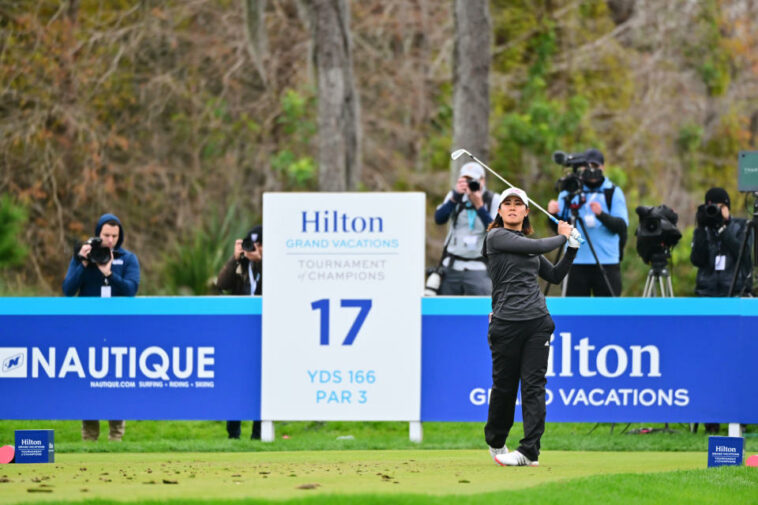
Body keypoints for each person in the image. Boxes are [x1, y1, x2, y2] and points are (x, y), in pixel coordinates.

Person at [483, 188, 580, 466]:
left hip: (537, 321)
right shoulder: (496, 237)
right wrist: (562, 235)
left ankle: (529, 451)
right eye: (507, 204)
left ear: (526, 212)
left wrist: (571, 249)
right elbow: (537, 246)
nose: (512, 207)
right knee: (504, 387)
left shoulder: (529, 247)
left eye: (518, 204)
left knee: (534, 387)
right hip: (506, 323)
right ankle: (496, 439)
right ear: (500, 212)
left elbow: (555, 274)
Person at [62, 213, 140, 442]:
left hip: (118, 331)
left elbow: (130, 290)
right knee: (89, 384)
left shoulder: (128, 259)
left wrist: (109, 273)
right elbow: (68, 290)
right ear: (98, 233)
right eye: (106, 235)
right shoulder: (84, 256)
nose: (110, 240)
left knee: (116, 383)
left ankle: (116, 438)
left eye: (115, 236)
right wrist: (83, 262)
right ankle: (89, 438)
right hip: (88, 330)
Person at [690, 188, 753, 434]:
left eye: (717, 206)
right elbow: (697, 259)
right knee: (708, 360)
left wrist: (724, 229)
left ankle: (739, 414)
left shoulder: (742, 227)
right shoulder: (703, 228)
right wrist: (704, 228)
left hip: (733, 296)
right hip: (707, 296)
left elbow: (744, 256)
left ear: (727, 206)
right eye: (710, 205)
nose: (713, 210)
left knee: (735, 359)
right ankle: (710, 418)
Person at [547, 148, 628, 296]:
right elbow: (559, 228)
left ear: (602, 167)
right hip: (575, 262)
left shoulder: (613, 192)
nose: (591, 170)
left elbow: (621, 226)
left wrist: (602, 215)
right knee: (574, 312)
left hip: (606, 262)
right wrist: (551, 214)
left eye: (595, 166)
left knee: (608, 312)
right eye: (587, 166)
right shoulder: (570, 191)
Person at [217, 225, 263, 440]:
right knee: (236, 384)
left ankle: (259, 434)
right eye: (250, 244)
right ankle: (233, 435)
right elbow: (222, 284)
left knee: (261, 385)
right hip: (239, 333)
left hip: (264, 333)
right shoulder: (241, 265)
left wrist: (262, 260)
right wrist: (234, 259)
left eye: (259, 245)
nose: (253, 249)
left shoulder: (272, 266)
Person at [434, 161, 500, 295]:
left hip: (480, 266)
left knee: (481, 310)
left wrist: (480, 206)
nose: (469, 184)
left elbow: (497, 233)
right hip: (452, 265)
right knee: (448, 311)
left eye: (473, 180)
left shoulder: (493, 199)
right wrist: (454, 198)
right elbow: (439, 219)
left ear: (482, 180)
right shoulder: (454, 196)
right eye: (466, 180)